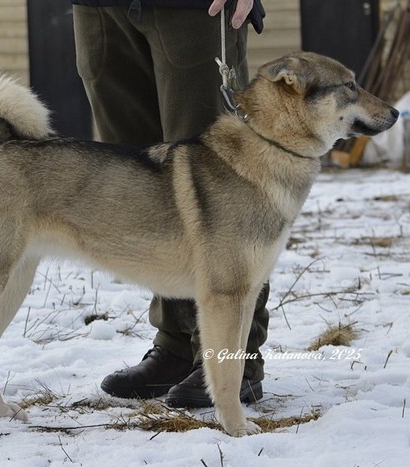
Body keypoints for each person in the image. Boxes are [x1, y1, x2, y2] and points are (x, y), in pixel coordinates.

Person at [71, 0, 270, 408]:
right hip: (99, 9)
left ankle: (235, 359)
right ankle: (177, 344)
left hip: (194, 9)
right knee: (141, 186)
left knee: (216, 180)